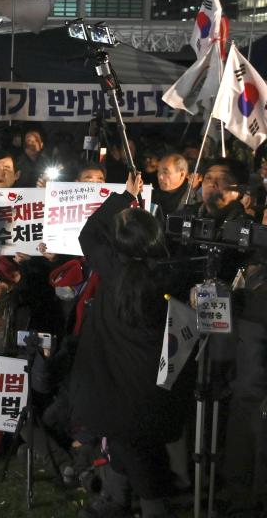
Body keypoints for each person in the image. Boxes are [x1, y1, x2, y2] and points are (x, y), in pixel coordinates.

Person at [70, 172, 192, 518]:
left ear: (119, 243)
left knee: (140, 461)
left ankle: (148, 508)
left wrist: (123, 196)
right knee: (129, 450)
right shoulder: (171, 275)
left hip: (116, 392)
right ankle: (115, 501)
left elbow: (89, 233)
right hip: (151, 390)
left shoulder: (111, 267)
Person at [153, 154, 190, 219]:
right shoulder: (151, 196)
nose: (160, 177)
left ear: (181, 174)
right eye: (158, 171)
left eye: (165, 172)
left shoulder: (196, 199)